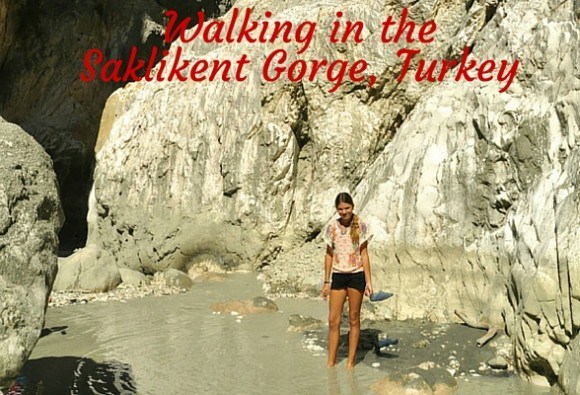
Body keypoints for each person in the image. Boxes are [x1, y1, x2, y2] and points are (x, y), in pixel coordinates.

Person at [321, 192, 373, 369]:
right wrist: (326, 282)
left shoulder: (361, 226)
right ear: (337, 209)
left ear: (353, 207)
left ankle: (350, 364)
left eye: (347, 208)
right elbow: (328, 255)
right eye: (341, 209)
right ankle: (331, 362)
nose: (344, 212)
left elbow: (364, 255)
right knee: (333, 320)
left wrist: (369, 282)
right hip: (338, 275)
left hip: (356, 275)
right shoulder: (332, 227)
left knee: (353, 318)